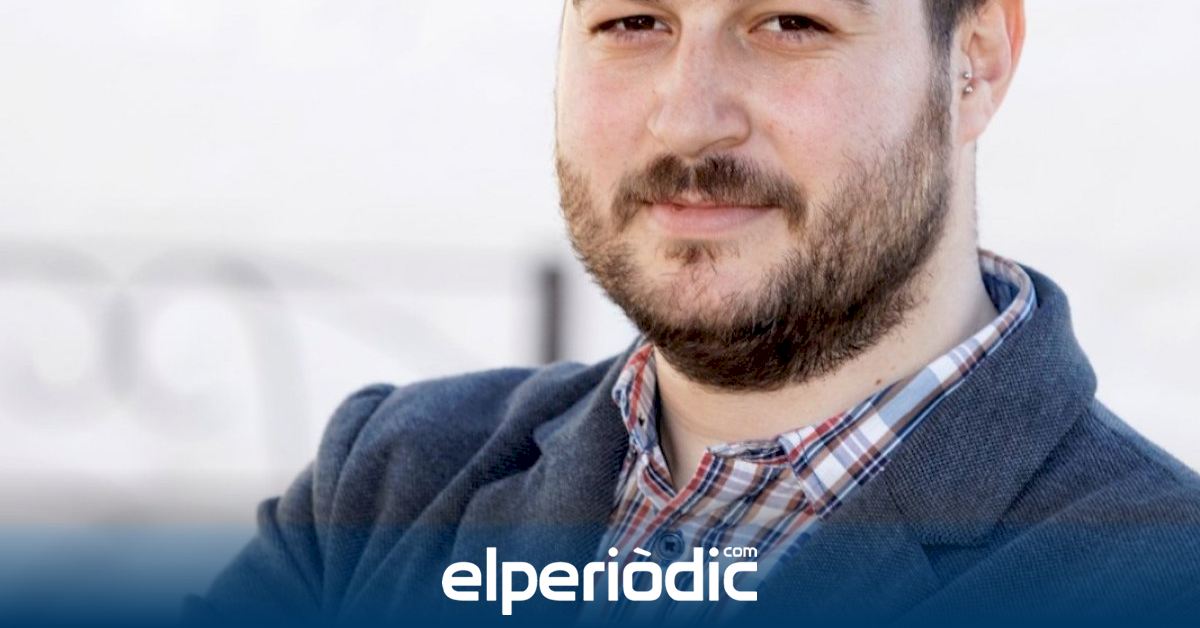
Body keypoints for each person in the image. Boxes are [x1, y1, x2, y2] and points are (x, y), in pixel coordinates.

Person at [187, 0, 1200, 625]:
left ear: (973, 62)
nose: (687, 119)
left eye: (791, 22)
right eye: (633, 22)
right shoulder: (386, 484)